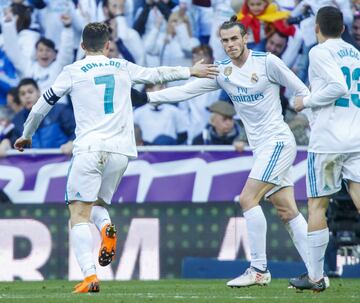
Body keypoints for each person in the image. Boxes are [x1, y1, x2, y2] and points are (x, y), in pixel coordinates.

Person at [14, 22, 218, 293]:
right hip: (121, 152)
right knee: (97, 205)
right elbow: (154, 72)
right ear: (108, 45)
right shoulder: (122, 66)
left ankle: (89, 276)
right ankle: (107, 227)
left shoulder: (72, 71)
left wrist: (27, 133)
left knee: (78, 213)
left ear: (83, 46)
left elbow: (43, 104)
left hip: (89, 149)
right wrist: (189, 70)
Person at [145, 16, 311, 288]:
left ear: (245, 38)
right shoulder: (222, 71)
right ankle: (317, 274)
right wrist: (148, 97)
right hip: (262, 149)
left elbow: (302, 90)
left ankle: (258, 269)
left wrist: (314, 120)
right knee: (287, 211)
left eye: (235, 38)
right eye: (225, 40)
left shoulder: (267, 61)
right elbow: (187, 91)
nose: (230, 44)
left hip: (278, 142)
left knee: (247, 199)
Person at [289, 6, 360, 292]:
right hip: (356, 136)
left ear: (316, 28)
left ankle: (315, 277)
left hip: (329, 140)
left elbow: (337, 87)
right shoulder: (356, 54)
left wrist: (303, 102)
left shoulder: (319, 52)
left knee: (318, 205)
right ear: (343, 29)